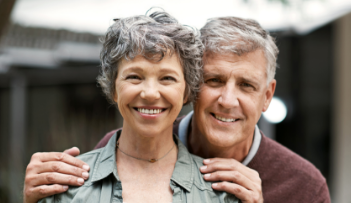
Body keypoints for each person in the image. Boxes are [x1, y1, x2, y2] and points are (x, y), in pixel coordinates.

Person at [24, 16, 331, 203]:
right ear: (193, 85)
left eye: (246, 86)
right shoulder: (120, 149)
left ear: (267, 96)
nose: (227, 99)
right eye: (215, 80)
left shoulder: (303, 186)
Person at [36, 10, 239, 203]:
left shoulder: (221, 194)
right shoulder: (64, 186)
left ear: (186, 92)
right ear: (113, 88)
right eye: (134, 77)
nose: (150, 93)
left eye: (167, 78)